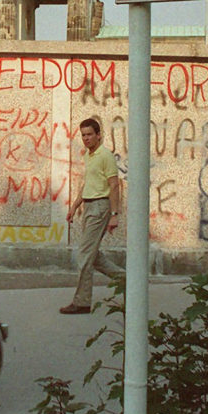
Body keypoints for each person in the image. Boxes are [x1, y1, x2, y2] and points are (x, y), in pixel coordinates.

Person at [61, 117, 124, 314]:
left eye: (89, 134)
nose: (86, 138)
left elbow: (114, 185)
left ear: (98, 135)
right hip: (89, 206)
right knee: (93, 256)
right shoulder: (89, 156)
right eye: (83, 135)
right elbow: (87, 184)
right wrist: (74, 206)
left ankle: (82, 302)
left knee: (84, 255)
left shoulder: (105, 156)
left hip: (100, 207)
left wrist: (114, 214)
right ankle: (129, 281)